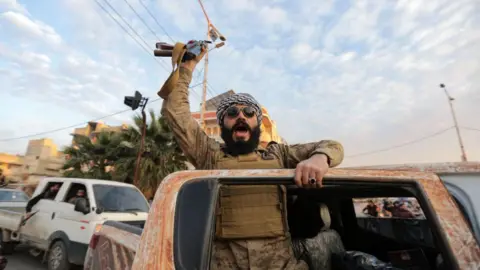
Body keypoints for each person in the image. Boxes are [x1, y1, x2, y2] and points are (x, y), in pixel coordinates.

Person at [159, 42, 345, 269]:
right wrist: (187, 66)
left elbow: (332, 145)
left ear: (257, 122)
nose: (240, 116)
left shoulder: (279, 153)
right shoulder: (208, 154)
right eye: (231, 113)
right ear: (222, 124)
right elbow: (175, 112)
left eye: (248, 112)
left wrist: (319, 158)